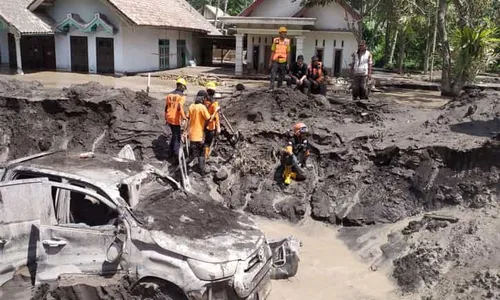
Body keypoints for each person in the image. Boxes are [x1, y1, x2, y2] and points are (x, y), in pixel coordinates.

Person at [184, 90, 220, 175]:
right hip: (199, 135)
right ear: (203, 98)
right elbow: (209, 119)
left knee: (192, 154)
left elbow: (187, 120)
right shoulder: (202, 107)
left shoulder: (191, 106)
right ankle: (201, 171)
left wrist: (185, 132)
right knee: (200, 153)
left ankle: (182, 166)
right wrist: (216, 111)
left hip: (191, 134)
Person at [165, 78, 187, 162]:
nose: (184, 89)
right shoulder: (182, 96)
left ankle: (170, 153)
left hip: (169, 117)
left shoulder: (169, 95)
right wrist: (184, 117)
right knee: (177, 137)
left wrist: (165, 117)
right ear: (181, 86)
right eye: (184, 87)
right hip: (176, 119)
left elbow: (166, 107)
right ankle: (177, 156)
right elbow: (179, 107)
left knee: (174, 135)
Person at [203, 81, 221, 159]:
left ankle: (203, 154)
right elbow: (216, 117)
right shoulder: (214, 103)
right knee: (208, 142)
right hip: (210, 126)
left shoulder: (203, 101)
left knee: (203, 141)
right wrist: (218, 127)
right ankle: (206, 156)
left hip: (203, 125)